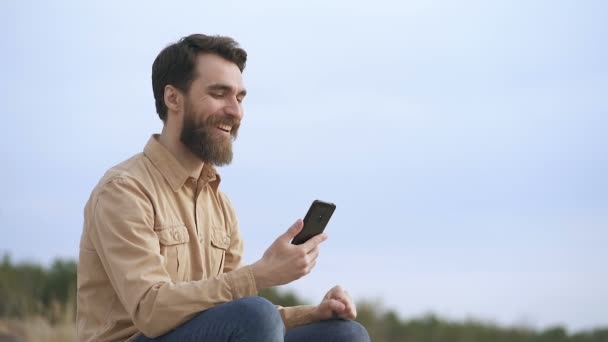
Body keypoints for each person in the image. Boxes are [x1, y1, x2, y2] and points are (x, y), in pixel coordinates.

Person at [77, 33, 370, 342]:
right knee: (256, 314)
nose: (236, 111)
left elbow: (232, 314)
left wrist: (314, 313)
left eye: (240, 98)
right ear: (173, 98)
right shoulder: (124, 190)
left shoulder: (220, 205)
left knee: (344, 334)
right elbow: (151, 311)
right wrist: (260, 274)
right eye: (220, 94)